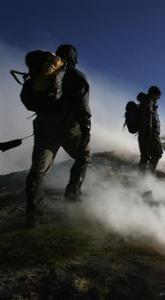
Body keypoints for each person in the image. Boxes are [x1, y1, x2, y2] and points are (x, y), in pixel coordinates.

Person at [23, 44, 91, 227]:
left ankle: (33, 214)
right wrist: (86, 131)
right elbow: (84, 108)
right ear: (74, 58)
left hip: (44, 127)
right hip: (68, 128)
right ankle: (72, 195)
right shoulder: (77, 76)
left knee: (38, 169)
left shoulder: (42, 73)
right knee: (83, 156)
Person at [137, 86, 163, 172]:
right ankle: (148, 175)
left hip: (143, 133)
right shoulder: (149, 101)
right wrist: (150, 132)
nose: (158, 98)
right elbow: (148, 117)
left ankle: (140, 177)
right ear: (154, 94)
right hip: (150, 133)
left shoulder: (144, 102)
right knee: (157, 154)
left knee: (145, 157)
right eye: (158, 96)